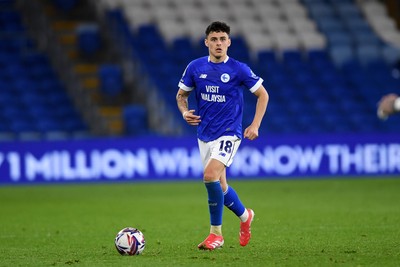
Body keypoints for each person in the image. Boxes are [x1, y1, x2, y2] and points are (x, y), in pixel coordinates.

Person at [176, 21, 269, 250]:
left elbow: (263, 95)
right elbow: (181, 96)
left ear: (229, 42)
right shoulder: (195, 67)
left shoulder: (239, 69)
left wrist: (255, 125)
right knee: (221, 187)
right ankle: (246, 216)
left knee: (209, 176)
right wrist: (185, 111)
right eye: (214, 39)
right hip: (204, 134)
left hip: (229, 133)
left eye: (222, 39)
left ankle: (216, 234)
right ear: (206, 42)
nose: (218, 43)